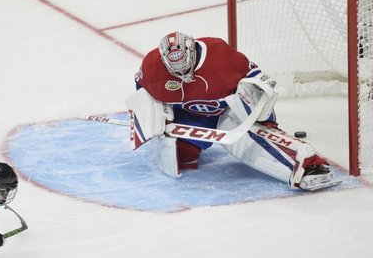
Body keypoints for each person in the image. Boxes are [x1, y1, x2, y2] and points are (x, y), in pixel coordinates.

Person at [126, 31, 338, 191]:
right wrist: (157, 120)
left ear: (192, 52)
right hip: (189, 116)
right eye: (176, 71)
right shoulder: (152, 67)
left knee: (251, 137)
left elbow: (257, 83)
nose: (183, 75)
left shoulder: (221, 56)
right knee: (181, 158)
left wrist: (256, 110)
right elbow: (143, 94)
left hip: (227, 110)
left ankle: (307, 164)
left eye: (186, 67)